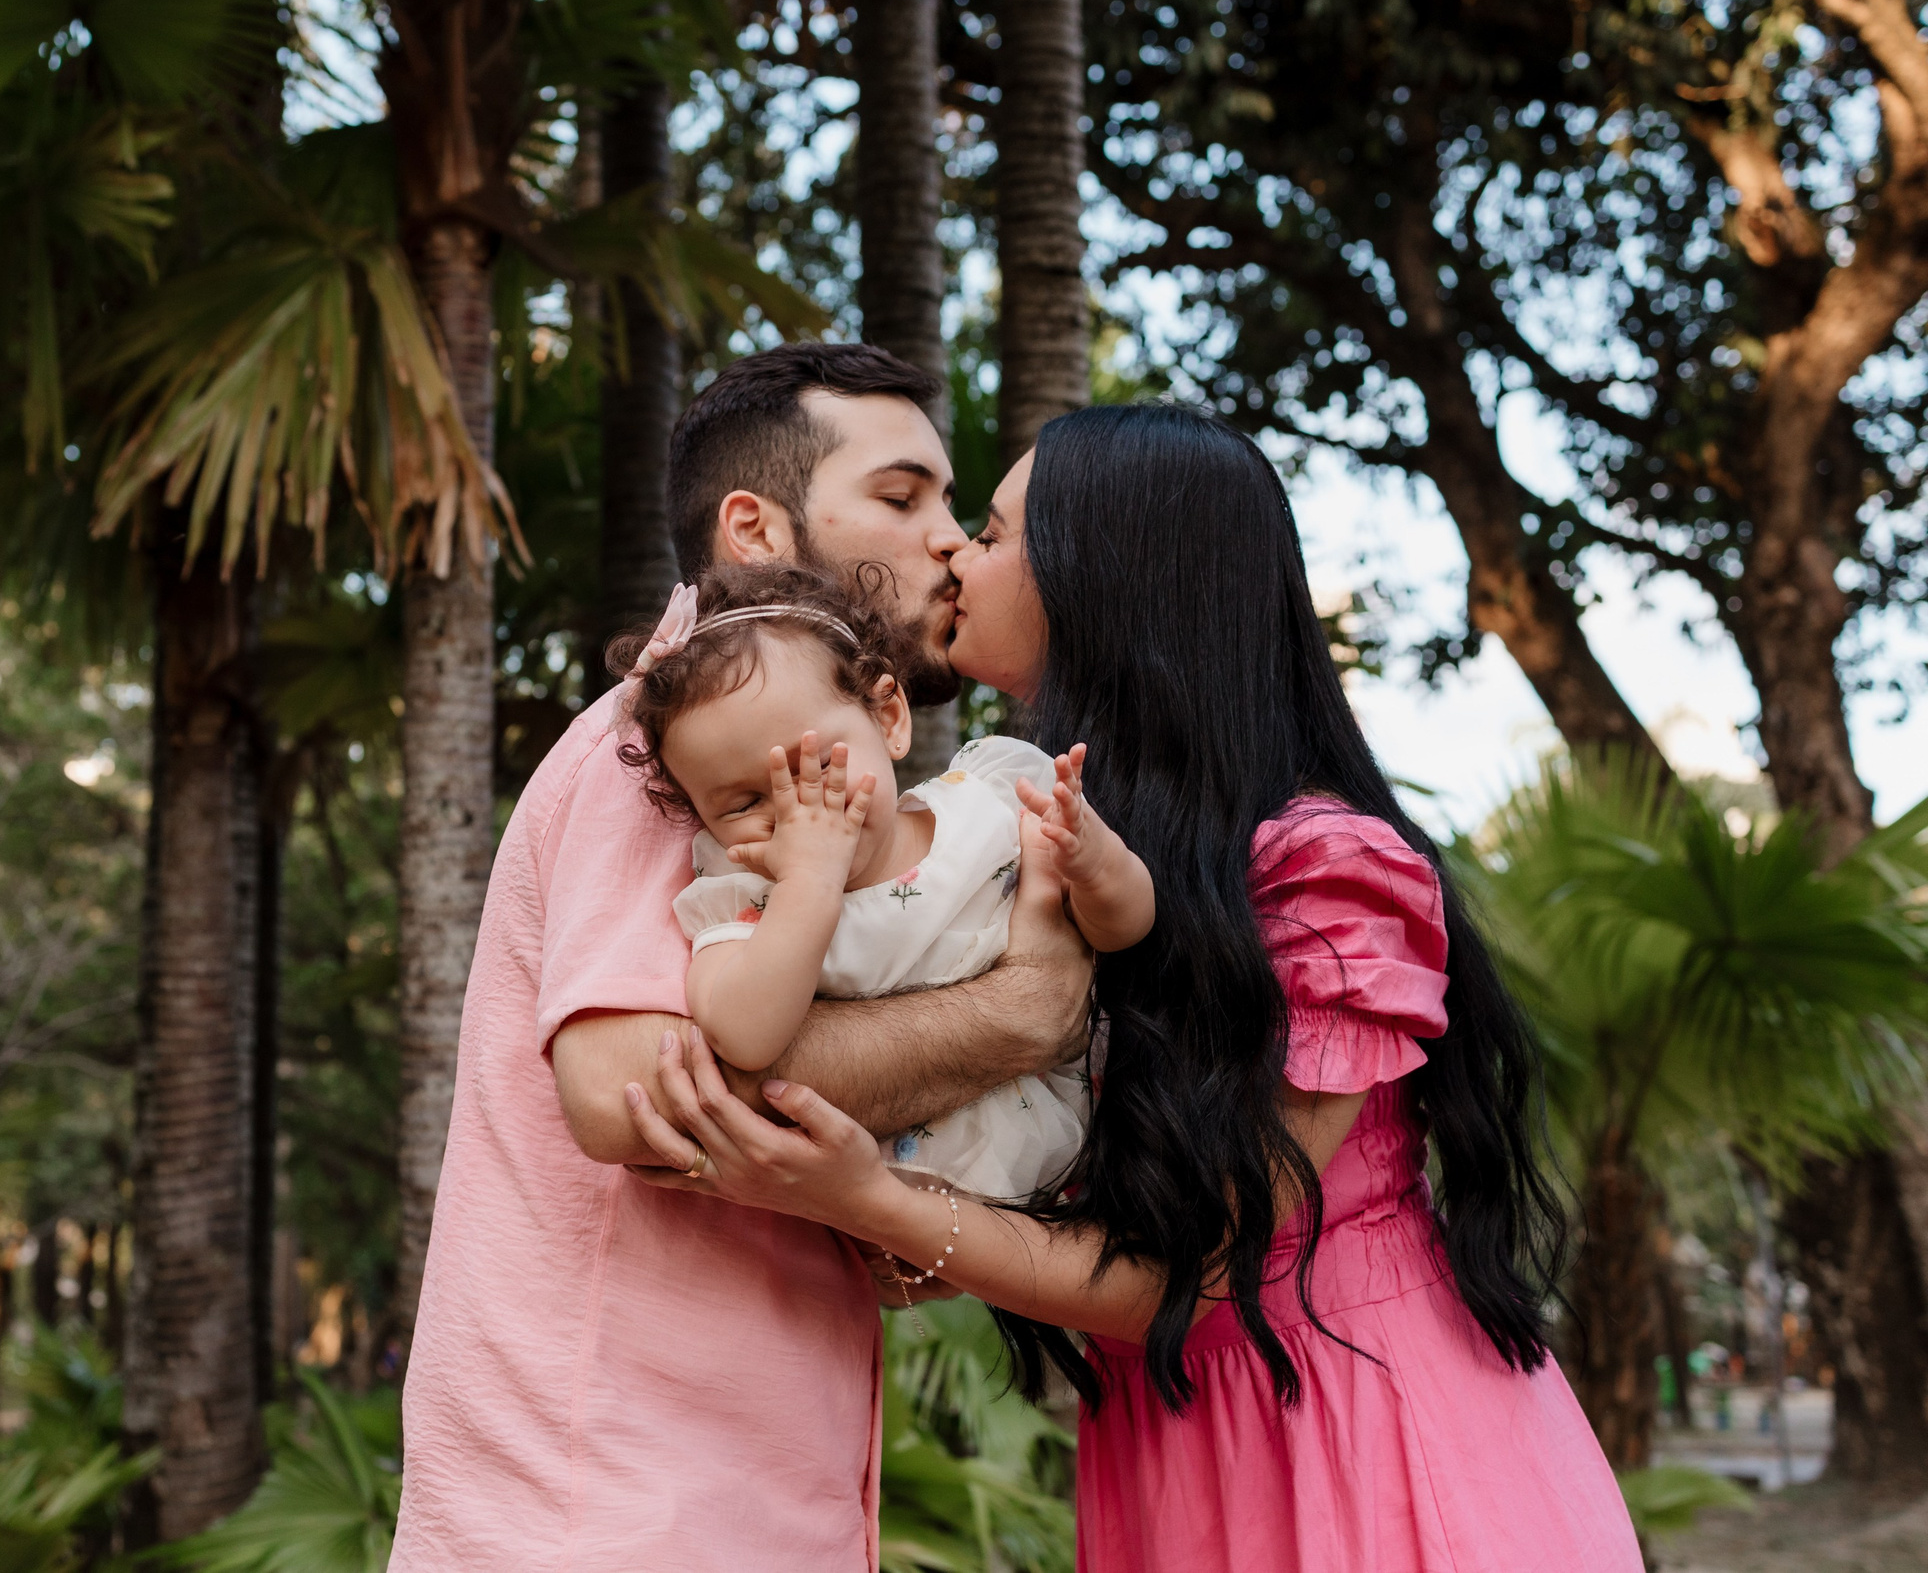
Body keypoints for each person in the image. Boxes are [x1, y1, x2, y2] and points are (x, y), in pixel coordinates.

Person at [625, 403, 1645, 1573]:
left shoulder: (1325, 868)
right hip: (1177, 1451)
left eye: (995, 532)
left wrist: (870, 1198)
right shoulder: (1036, 853)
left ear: (1106, 576)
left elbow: (1208, 1280)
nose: (952, 550)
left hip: (1363, 1451)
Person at [389, 345, 1097, 1571]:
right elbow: (624, 1097)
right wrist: (1022, 1014)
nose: (944, 539)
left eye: (950, 502)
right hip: (613, 1511)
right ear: (753, 530)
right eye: (900, 495)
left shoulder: (804, 761)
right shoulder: (681, 743)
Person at [617, 561, 1151, 1200]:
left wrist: (1096, 864)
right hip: (890, 1191)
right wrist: (808, 883)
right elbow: (744, 1039)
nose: (796, 812)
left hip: (1079, 1141)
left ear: (889, 716)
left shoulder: (992, 797)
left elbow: (1125, 929)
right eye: (739, 805)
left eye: (815, 766)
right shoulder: (747, 893)